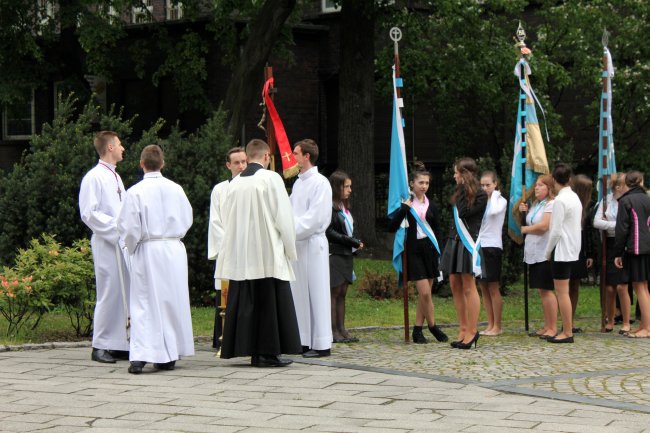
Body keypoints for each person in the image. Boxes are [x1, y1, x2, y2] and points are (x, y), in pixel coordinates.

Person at [215, 139, 302, 367]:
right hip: (266, 252)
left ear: (248, 155)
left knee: (248, 301)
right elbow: (283, 217)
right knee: (268, 303)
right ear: (266, 157)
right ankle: (268, 352)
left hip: (241, 255)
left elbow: (226, 219)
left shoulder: (233, 184)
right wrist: (290, 249)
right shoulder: (271, 179)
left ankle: (251, 349)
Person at [117, 145, 194, 374]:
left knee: (144, 302)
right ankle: (168, 353)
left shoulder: (135, 192)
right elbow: (187, 218)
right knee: (171, 301)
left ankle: (141, 355)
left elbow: (129, 228)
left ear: (142, 164)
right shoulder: (176, 189)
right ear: (163, 164)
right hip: (173, 249)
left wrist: (130, 247)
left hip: (148, 249)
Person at [79, 131, 130, 364]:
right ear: (109, 147)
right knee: (109, 291)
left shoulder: (116, 177)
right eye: (119, 145)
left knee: (123, 291)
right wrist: (116, 228)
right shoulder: (94, 177)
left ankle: (118, 342)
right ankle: (100, 344)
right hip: (107, 241)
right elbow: (89, 213)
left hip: (121, 242)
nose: (123, 148)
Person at [387, 162, 448, 344]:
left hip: (430, 250)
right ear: (412, 183)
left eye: (426, 183)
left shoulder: (432, 205)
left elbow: (437, 230)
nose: (424, 186)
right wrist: (403, 210)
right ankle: (433, 326)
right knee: (425, 293)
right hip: (413, 251)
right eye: (420, 182)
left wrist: (440, 252)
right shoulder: (407, 204)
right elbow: (391, 227)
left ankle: (417, 330)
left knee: (426, 293)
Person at [290, 139, 333, 358]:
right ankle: (304, 339)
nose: (292, 157)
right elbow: (290, 210)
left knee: (317, 291)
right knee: (300, 292)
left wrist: (290, 229)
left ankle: (322, 342)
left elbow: (315, 217)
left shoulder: (320, 183)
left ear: (307, 156)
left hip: (313, 242)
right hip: (298, 243)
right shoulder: (298, 183)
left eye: (295, 153)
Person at [441, 157, 487, 349]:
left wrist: (462, 190)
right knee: (454, 283)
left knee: (469, 286)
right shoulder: (460, 192)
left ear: (464, 174)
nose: (454, 176)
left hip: (468, 242)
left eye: (456, 172)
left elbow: (463, 213)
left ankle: (472, 330)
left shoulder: (480, 194)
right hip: (454, 240)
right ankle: (462, 328)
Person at [207, 147, 247, 349]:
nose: (241, 166)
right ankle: (223, 338)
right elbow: (216, 222)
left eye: (244, 162)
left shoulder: (253, 187)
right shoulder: (220, 190)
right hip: (228, 249)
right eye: (237, 163)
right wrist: (231, 244)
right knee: (225, 295)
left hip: (248, 250)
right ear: (228, 165)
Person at [545, 163, 583, 343]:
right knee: (564, 291)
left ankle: (567, 331)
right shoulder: (574, 197)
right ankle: (567, 329)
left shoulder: (560, 200)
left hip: (561, 249)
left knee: (562, 292)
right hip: (573, 248)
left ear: (553, 180)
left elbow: (555, 230)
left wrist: (547, 252)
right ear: (569, 179)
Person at [326, 170, 364, 343]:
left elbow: (350, 228)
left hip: (346, 254)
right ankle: (332, 331)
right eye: (346, 186)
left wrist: (356, 240)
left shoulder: (344, 207)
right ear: (336, 187)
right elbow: (329, 231)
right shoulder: (329, 207)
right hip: (335, 254)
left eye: (350, 186)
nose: (349, 190)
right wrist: (351, 241)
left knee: (342, 293)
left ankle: (342, 329)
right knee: (334, 292)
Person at [520, 175, 557, 340]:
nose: (536, 188)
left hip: (544, 252)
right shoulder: (536, 204)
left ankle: (553, 327)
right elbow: (529, 222)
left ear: (549, 188)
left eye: (541, 186)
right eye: (536, 186)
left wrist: (526, 229)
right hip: (533, 252)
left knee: (547, 290)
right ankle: (546, 325)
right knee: (542, 291)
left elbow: (544, 226)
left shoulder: (551, 204)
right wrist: (524, 213)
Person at [593, 172, 631, 334]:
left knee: (623, 286)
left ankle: (626, 321)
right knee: (609, 288)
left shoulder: (629, 201)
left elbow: (630, 224)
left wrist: (611, 224)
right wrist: (616, 225)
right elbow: (596, 222)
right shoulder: (606, 201)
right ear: (617, 187)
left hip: (625, 244)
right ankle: (610, 319)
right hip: (609, 244)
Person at [614, 171, 650, 338]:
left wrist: (618, 253)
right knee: (643, 287)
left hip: (635, 248)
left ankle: (647, 328)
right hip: (646, 247)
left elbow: (621, 230)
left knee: (640, 287)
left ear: (627, 184)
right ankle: (644, 325)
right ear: (640, 182)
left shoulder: (626, 200)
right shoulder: (647, 198)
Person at [477, 171, 508, 337]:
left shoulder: (500, 200)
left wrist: (494, 195)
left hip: (493, 247)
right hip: (480, 246)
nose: (484, 188)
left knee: (493, 287)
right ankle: (490, 324)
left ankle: (498, 325)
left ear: (495, 184)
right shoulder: (482, 201)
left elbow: (494, 212)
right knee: (484, 287)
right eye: (482, 185)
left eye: (488, 185)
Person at [568, 174, 595, 333]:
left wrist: (589, 254)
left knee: (575, 286)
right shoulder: (573, 205)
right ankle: (567, 319)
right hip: (570, 249)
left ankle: (571, 320)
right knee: (567, 286)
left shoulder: (586, 209)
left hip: (580, 251)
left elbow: (588, 234)